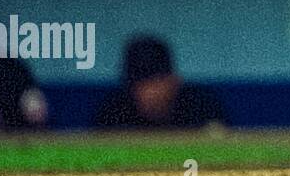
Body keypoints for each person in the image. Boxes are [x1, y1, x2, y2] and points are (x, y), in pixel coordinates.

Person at [94, 36, 227, 128]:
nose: (150, 92)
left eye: (156, 81)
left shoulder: (200, 106)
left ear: (174, 81)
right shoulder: (114, 112)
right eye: (141, 84)